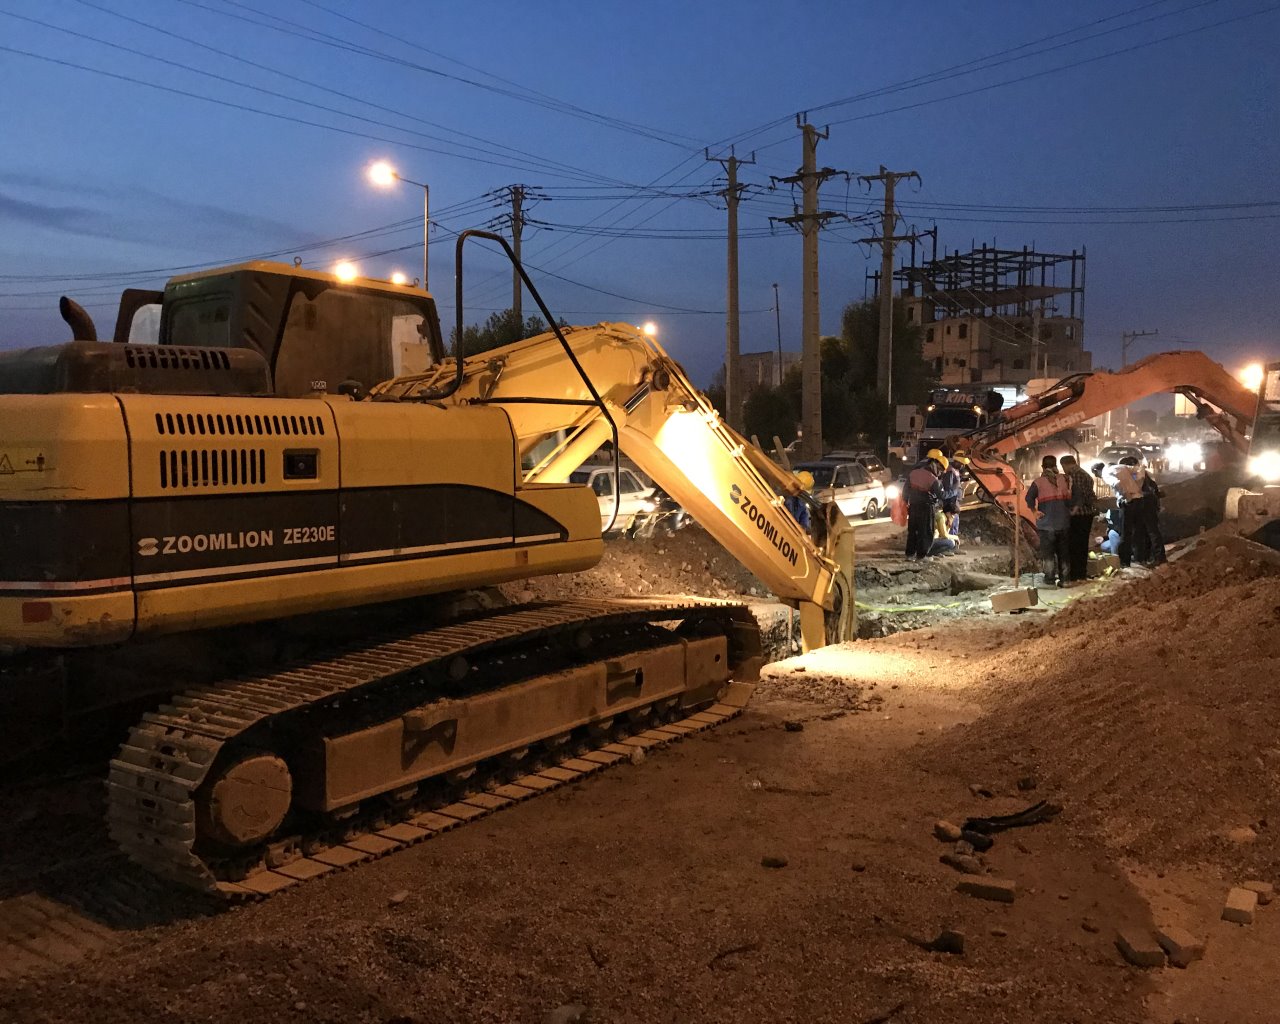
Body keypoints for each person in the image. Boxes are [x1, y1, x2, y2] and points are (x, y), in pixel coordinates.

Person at [1025, 454, 1071, 587]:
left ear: (1042, 467)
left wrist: (1034, 512)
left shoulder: (1038, 482)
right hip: (1064, 523)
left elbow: (1028, 498)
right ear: (1055, 465)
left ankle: (1050, 579)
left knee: (1048, 554)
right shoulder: (1066, 479)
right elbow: (1074, 497)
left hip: (1046, 524)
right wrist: (1072, 509)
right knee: (1064, 553)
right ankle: (1065, 580)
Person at [1105, 455, 1152, 568]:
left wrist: (1127, 496)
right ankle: (1140, 558)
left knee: (1126, 532)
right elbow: (1141, 471)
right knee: (1138, 531)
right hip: (1139, 500)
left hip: (1128, 502)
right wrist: (1138, 487)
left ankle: (1125, 562)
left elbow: (1116, 484)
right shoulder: (1124, 468)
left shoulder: (1107, 472)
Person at [1060, 454, 1096, 583]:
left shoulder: (1076, 475)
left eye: (1063, 467)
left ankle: (1076, 574)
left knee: (1075, 545)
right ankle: (1081, 573)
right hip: (1087, 514)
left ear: (1066, 464)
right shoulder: (1085, 474)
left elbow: (1079, 495)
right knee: (1082, 545)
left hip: (1079, 515)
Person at [904, 450, 945, 560]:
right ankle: (921, 555)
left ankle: (910, 554)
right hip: (926, 506)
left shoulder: (913, 473)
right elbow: (941, 494)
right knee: (926, 531)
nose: (940, 472)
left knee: (913, 530)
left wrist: (906, 502)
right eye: (940, 470)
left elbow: (905, 490)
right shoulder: (932, 477)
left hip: (913, 505)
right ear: (935, 463)